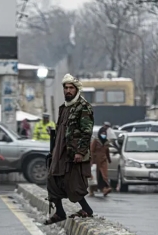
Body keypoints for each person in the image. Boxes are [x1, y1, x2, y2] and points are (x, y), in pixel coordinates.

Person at [45, 74, 94, 225]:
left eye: (71, 88)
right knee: (53, 180)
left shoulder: (83, 107)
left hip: (73, 154)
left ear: (76, 89)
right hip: (60, 153)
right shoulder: (64, 108)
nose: (68, 90)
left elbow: (87, 132)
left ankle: (87, 210)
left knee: (73, 184)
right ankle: (59, 212)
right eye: (66, 88)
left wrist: (80, 151)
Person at [89, 127, 112, 197]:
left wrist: (109, 159)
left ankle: (104, 189)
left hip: (103, 162)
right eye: (102, 133)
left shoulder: (106, 142)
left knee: (103, 176)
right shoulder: (96, 141)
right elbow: (92, 150)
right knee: (96, 177)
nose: (103, 135)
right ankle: (92, 189)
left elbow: (107, 151)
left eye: (105, 133)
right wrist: (92, 160)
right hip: (96, 161)